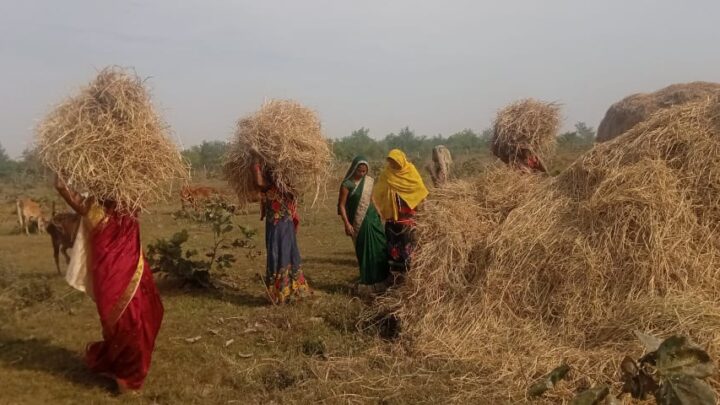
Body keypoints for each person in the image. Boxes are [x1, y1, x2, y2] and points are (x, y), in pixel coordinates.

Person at [54, 174, 163, 393]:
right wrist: (62, 169)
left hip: (133, 271)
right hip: (108, 277)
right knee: (118, 323)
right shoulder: (92, 206)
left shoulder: (129, 204)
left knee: (140, 319)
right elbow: (62, 187)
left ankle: (128, 376)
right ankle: (123, 373)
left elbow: (145, 186)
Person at [251, 160, 311, 303]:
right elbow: (259, 183)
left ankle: (288, 290)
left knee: (283, 253)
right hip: (277, 225)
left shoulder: (282, 186)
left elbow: (259, 183)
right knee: (278, 253)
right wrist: (255, 163)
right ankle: (284, 291)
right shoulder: (271, 186)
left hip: (282, 226)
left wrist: (255, 163)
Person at [337, 156, 390, 295]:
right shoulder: (346, 184)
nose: (362, 174)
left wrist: (379, 212)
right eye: (359, 171)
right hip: (358, 222)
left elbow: (371, 198)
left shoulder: (368, 182)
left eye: (364, 171)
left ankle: (383, 278)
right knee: (364, 249)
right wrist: (347, 223)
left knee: (380, 246)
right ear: (354, 169)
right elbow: (342, 205)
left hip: (372, 218)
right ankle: (368, 280)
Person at [373, 149, 429, 273]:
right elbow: (377, 193)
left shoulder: (411, 171)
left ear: (402, 161)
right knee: (393, 245)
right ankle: (395, 272)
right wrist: (379, 209)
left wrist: (425, 210)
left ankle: (411, 271)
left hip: (409, 219)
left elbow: (420, 191)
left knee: (408, 244)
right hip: (393, 218)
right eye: (391, 162)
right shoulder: (387, 174)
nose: (393, 165)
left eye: (396, 162)